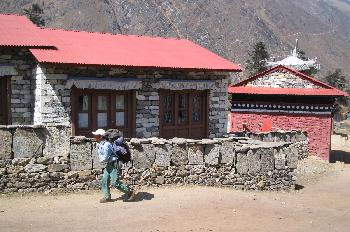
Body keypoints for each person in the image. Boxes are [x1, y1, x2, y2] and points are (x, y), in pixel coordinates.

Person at [92, 129, 135, 203]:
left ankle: (130, 192)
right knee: (105, 180)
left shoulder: (107, 144)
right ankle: (107, 197)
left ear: (101, 136)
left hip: (114, 164)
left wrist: (101, 160)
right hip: (109, 164)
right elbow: (102, 156)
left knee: (115, 183)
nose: (95, 137)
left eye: (96, 135)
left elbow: (104, 157)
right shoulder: (100, 144)